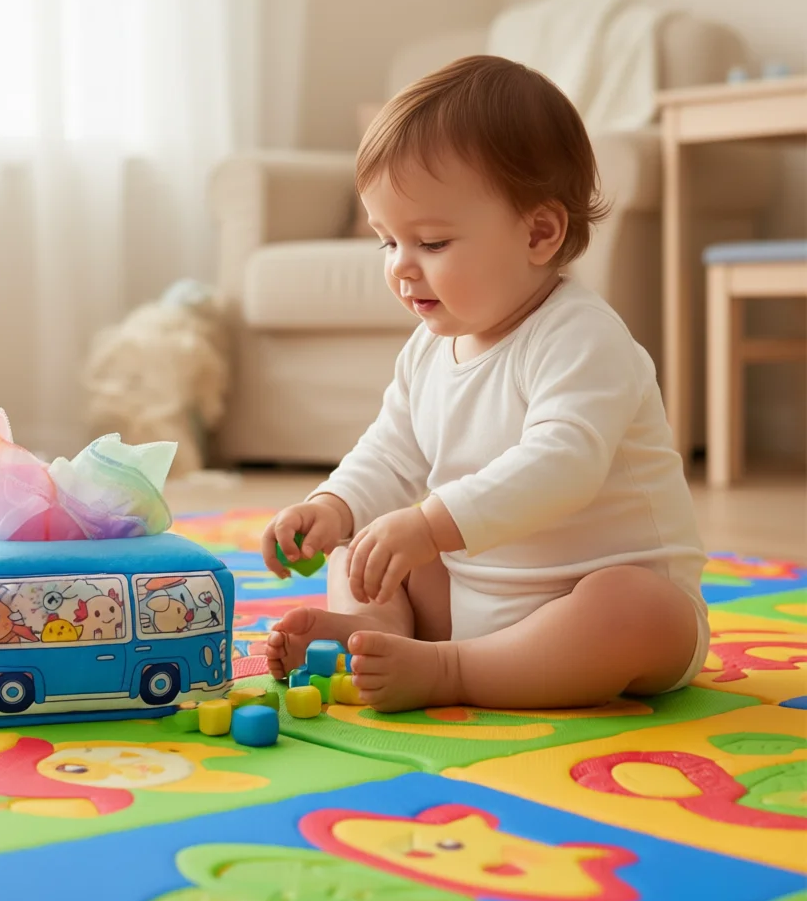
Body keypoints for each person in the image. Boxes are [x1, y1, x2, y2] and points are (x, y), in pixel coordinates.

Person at [259, 55, 708, 713]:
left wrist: (431, 525)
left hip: (589, 607)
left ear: (539, 232)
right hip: (473, 596)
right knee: (368, 538)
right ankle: (381, 630)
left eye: (432, 244)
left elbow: (563, 465)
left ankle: (453, 672)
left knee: (635, 609)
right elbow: (391, 451)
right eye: (388, 243)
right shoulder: (429, 348)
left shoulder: (582, 337)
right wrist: (333, 508)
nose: (402, 269)